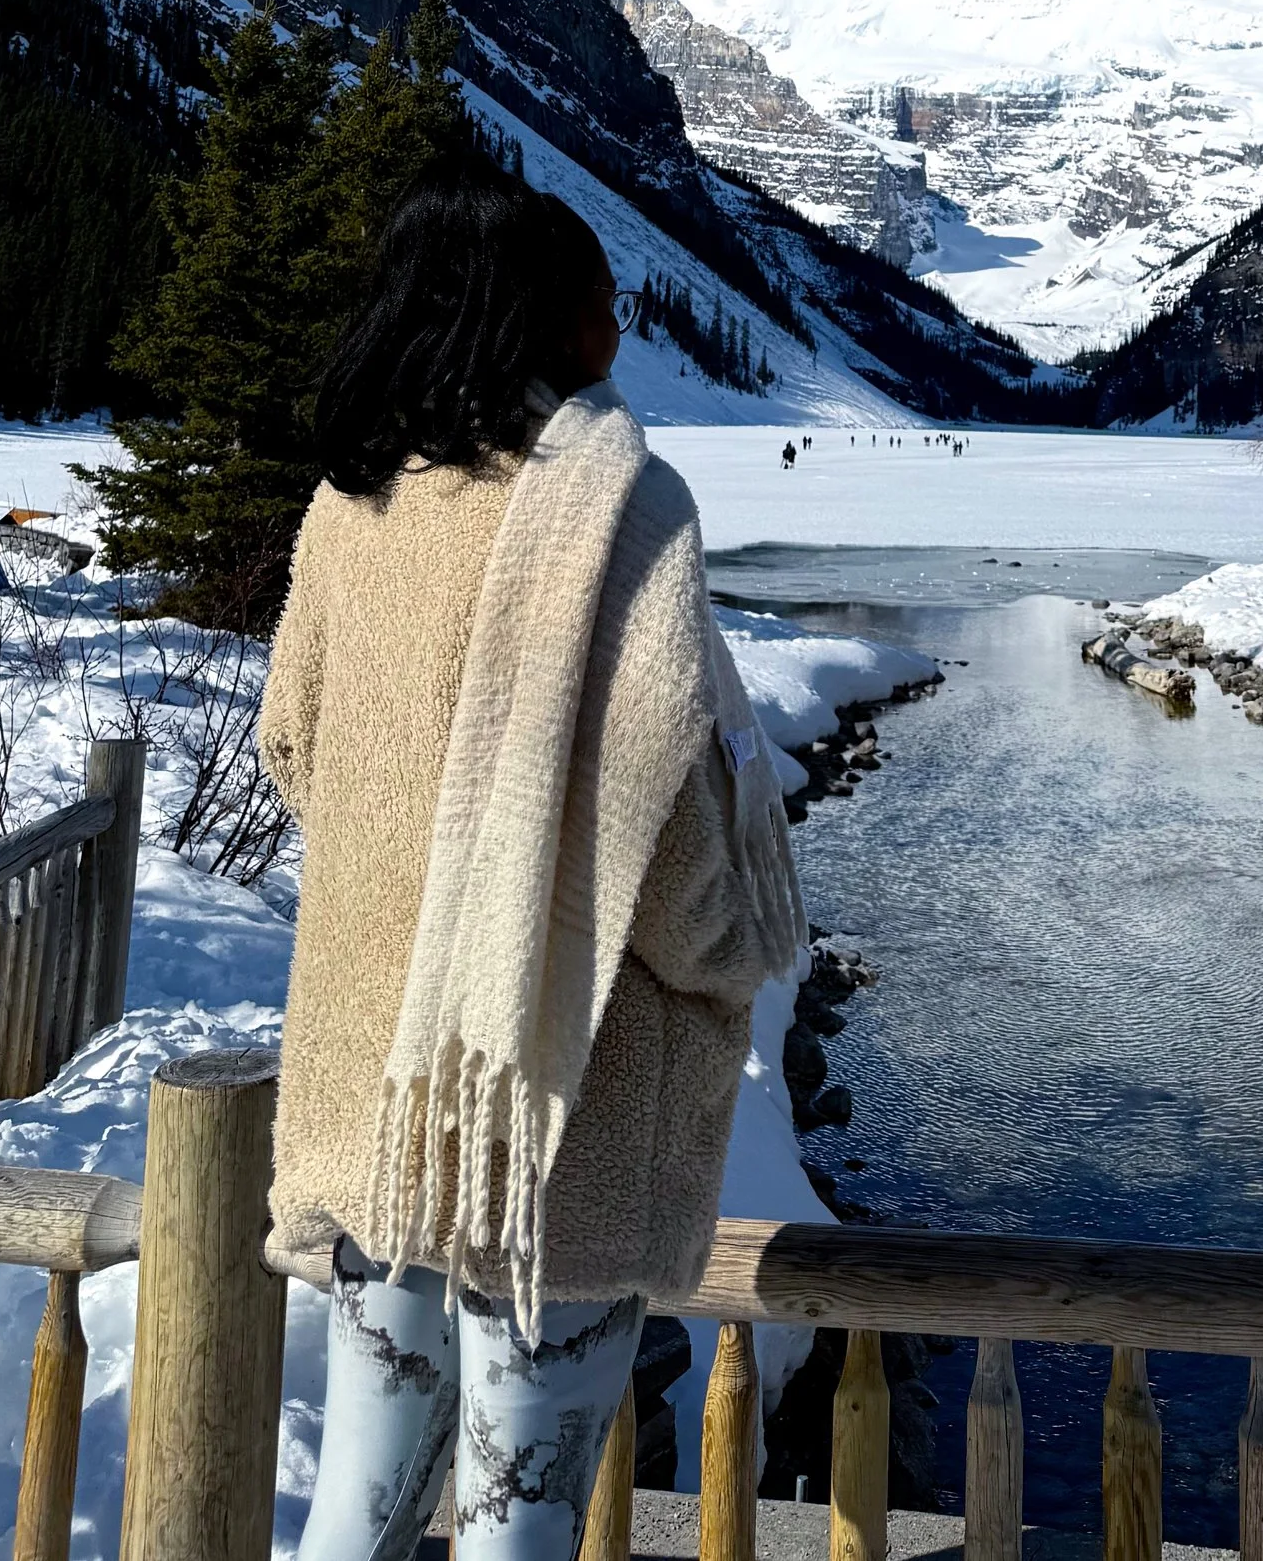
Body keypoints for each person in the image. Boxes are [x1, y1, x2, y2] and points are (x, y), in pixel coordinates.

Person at [259, 164, 803, 1561]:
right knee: (523, 1511)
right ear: (543, 321)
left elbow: (291, 749)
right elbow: (661, 805)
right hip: (558, 1108)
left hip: (387, 1088)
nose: (617, 334)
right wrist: (737, 952)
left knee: (359, 1503)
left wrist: (408, 888)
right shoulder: (623, 508)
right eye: (601, 304)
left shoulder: (349, 504)